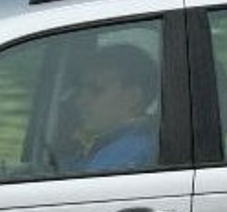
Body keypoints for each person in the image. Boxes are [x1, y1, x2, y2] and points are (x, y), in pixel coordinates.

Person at [66, 44, 158, 172]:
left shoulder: (129, 157)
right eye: (81, 90)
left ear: (132, 98)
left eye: (95, 90)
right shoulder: (101, 145)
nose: (80, 101)